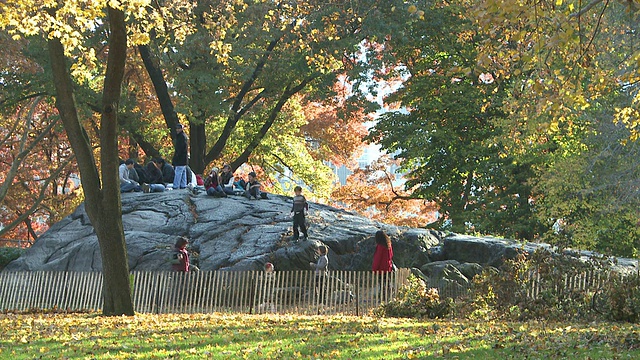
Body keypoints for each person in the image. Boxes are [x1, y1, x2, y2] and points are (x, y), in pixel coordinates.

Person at [372, 230, 394, 300]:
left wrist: (374, 269)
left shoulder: (380, 246)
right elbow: (391, 255)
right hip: (388, 266)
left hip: (381, 268)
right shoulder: (388, 245)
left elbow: (377, 258)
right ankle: (389, 296)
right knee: (387, 282)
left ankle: (383, 297)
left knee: (382, 283)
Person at [172, 123, 189, 190]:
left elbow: (180, 149)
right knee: (183, 172)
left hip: (180, 158)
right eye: (177, 128)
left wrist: (176, 157)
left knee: (178, 172)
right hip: (184, 158)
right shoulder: (183, 136)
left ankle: (176, 186)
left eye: (179, 128)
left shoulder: (181, 137)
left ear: (182, 129)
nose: (177, 130)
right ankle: (183, 185)